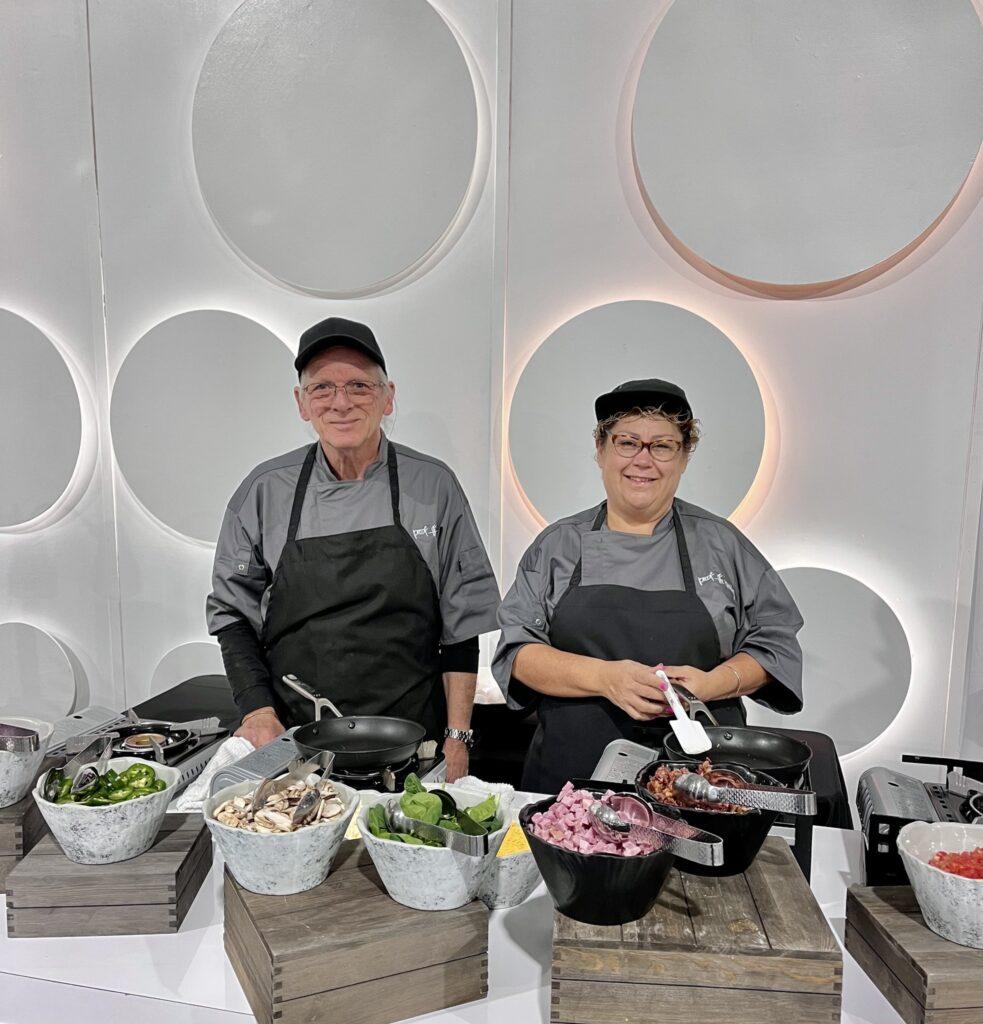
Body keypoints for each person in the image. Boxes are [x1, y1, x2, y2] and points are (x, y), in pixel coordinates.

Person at [207, 317, 500, 781]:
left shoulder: (433, 484)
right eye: (322, 388)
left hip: (413, 748)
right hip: (295, 745)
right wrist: (258, 711)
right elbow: (234, 617)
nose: (340, 403)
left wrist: (458, 738)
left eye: (359, 386)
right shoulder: (264, 491)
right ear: (301, 404)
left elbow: (460, 625)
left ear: (388, 397)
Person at [492, 378, 804, 793]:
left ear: (684, 456)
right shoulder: (558, 546)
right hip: (572, 786)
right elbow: (518, 653)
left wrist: (713, 684)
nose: (643, 460)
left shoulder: (721, 544)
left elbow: (777, 646)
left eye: (662, 446)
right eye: (627, 443)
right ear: (601, 451)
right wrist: (605, 678)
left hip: (698, 787)